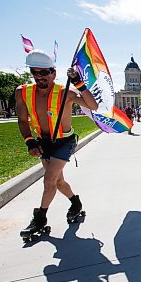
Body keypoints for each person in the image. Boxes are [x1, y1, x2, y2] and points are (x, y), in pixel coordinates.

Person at [15, 49, 99, 238]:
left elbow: (93, 106)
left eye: (44, 72)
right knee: (59, 182)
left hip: (64, 141)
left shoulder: (65, 92)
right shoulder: (23, 92)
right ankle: (75, 202)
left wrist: (78, 82)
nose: (39, 77)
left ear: (53, 72)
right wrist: (30, 142)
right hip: (43, 142)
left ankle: (39, 218)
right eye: (35, 72)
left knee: (49, 180)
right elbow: (22, 120)